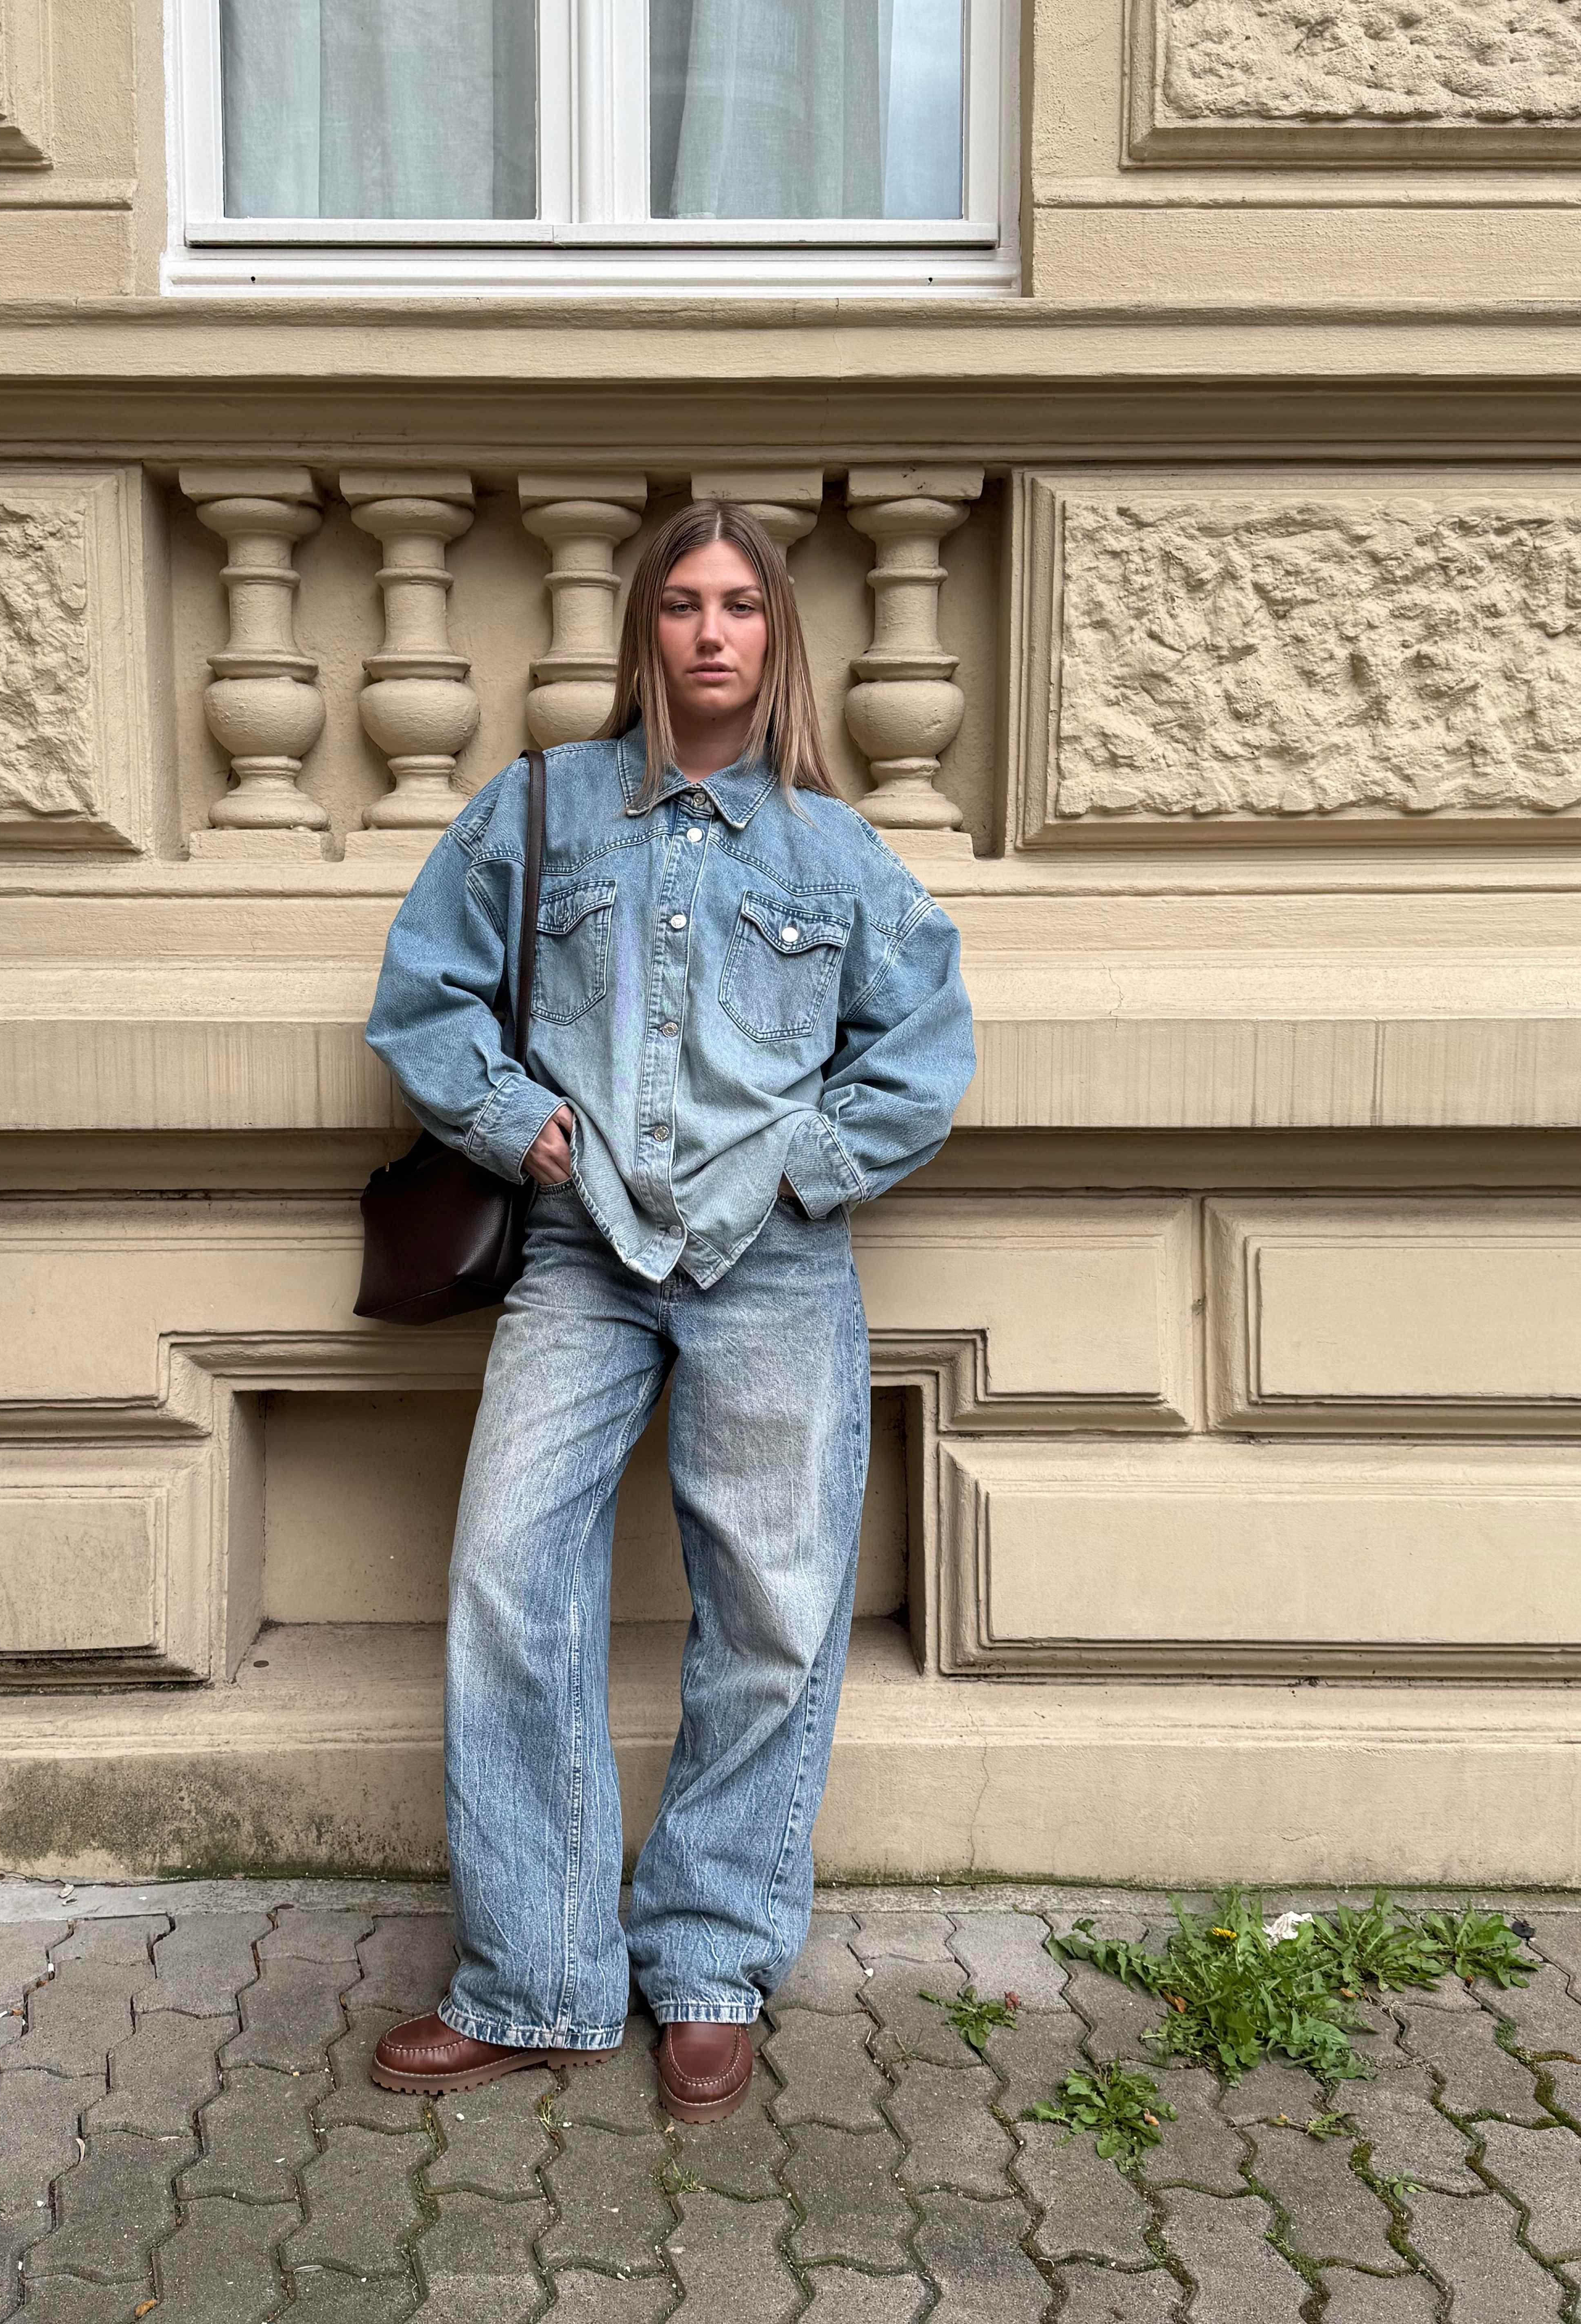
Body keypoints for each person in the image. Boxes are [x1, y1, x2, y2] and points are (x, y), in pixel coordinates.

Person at [361, 498, 976, 2122]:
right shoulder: (540, 809)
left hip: (774, 1265)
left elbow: (922, 1052)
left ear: (780, 641)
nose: (714, 632)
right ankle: (538, 1980)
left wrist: (810, 1162)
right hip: (581, 1257)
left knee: (771, 1614)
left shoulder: (837, 854)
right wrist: (511, 1120)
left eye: (744, 609)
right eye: (686, 604)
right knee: (509, 1573)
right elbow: (425, 989)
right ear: (646, 628)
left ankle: (708, 1963)